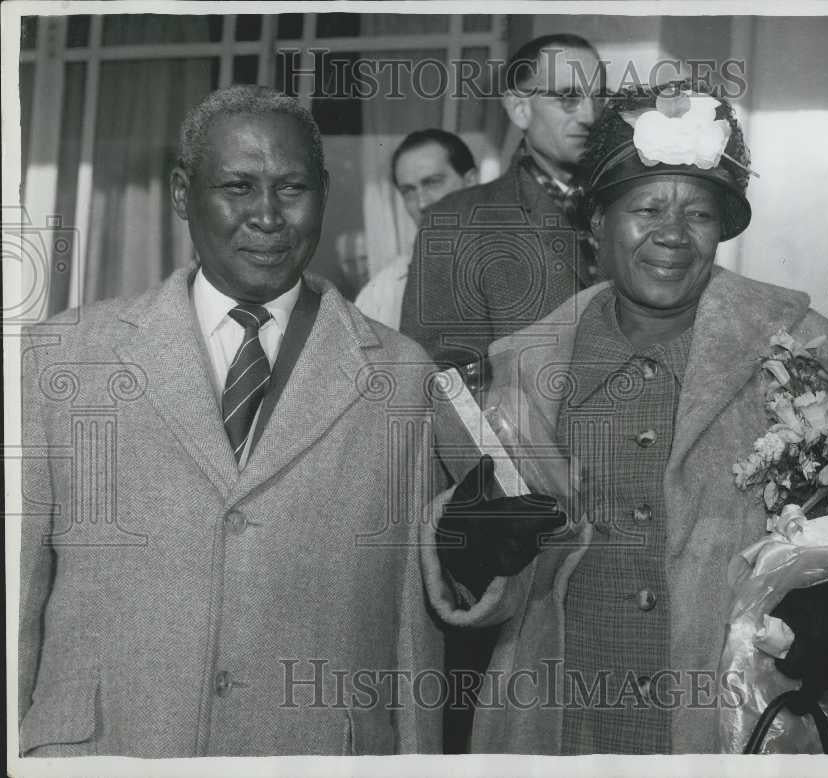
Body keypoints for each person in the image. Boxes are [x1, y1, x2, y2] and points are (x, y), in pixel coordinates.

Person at [420, 85, 828, 754]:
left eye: (700, 214)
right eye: (646, 209)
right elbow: (494, 577)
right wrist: (468, 544)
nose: (673, 235)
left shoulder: (796, 348)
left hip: (728, 723)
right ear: (596, 224)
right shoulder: (525, 364)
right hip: (558, 723)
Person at [18, 86, 441, 757]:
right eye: (238, 187)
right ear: (183, 194)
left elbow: (413, 631)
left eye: (292, 187)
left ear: (325, 193)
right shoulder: (61, 359)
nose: (267, 216)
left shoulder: (402, 375)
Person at [399, 33, 606, 364]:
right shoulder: (457, 223)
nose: (589, 116)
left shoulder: (630, 206)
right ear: (520, 108)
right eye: (568, 97)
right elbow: (444, 379)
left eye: (599, 98)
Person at [355, 129, 478, 329]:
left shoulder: (520, 265)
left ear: (471, 181)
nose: (421, 203)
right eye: (408, 191)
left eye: (432, 183)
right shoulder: (381, 294)